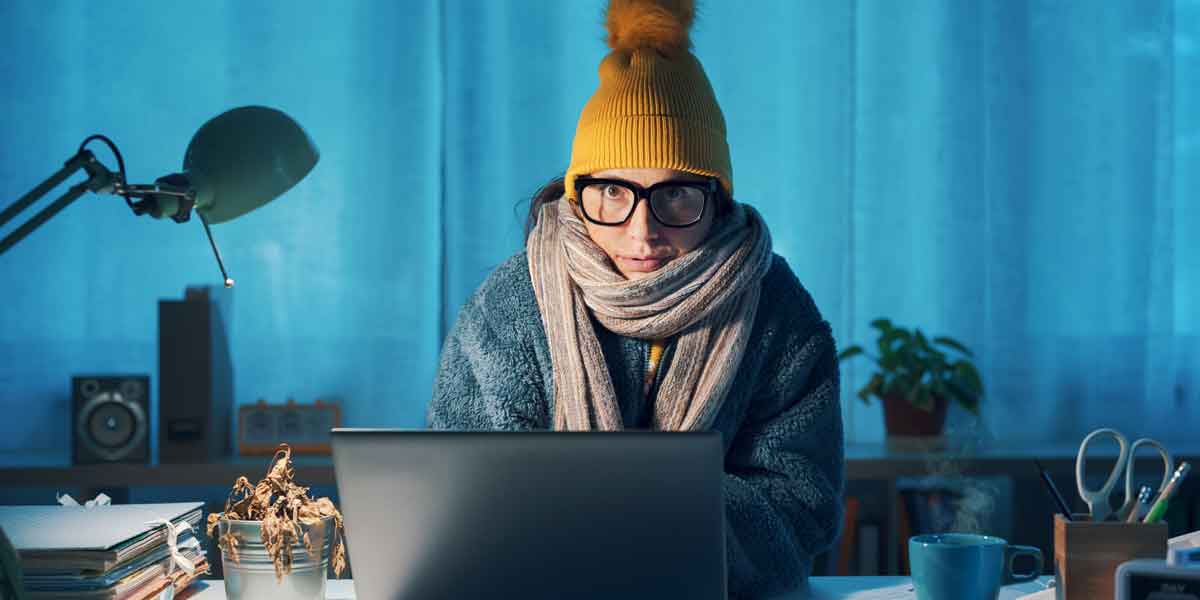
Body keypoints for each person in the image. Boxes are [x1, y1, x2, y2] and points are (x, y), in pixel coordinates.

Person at [427, 0, 844, 596]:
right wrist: (657, 501)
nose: (642, 232)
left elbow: (803, 508)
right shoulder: (509, 305)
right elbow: (460, 489)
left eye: (675, 196)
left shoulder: (776, 308)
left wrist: (621, 505)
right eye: (612, 192)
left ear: (718, 201)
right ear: (577, 195)